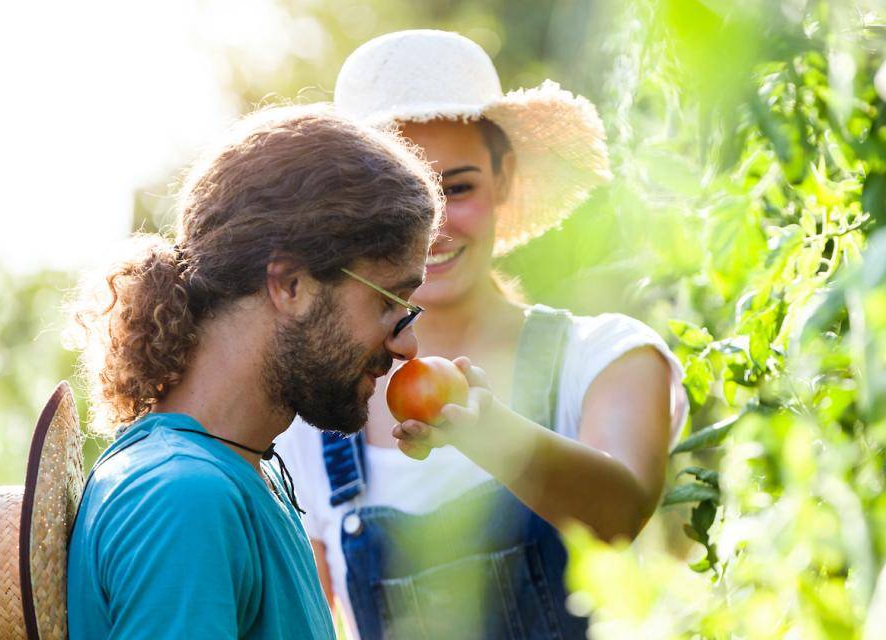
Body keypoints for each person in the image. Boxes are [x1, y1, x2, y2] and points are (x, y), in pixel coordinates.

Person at [275, 31, 689, 639]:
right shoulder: (312, 423)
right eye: (401, 204)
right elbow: (312, 620)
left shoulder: (604, 357)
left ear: (505, 177)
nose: (432, 229)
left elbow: (620, 512)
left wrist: (493, 436)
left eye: (458, 187)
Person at [65, 104, 443, 639]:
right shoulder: (185, 500)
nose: (409, 344)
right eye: (390, 301)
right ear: (290, 285)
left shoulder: (241, 474)